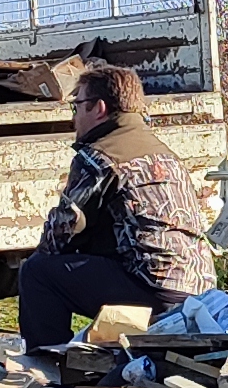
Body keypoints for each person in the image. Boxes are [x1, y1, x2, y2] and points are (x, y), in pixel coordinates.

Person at [20, 65, 216, 354]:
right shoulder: (165, 153)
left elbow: (59, 235)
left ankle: (49, 364)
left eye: (77, 106)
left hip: (153, 291)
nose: (75, 118)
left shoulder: (99, 156)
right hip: (200, 291)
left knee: (37, 272)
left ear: (99, 108)